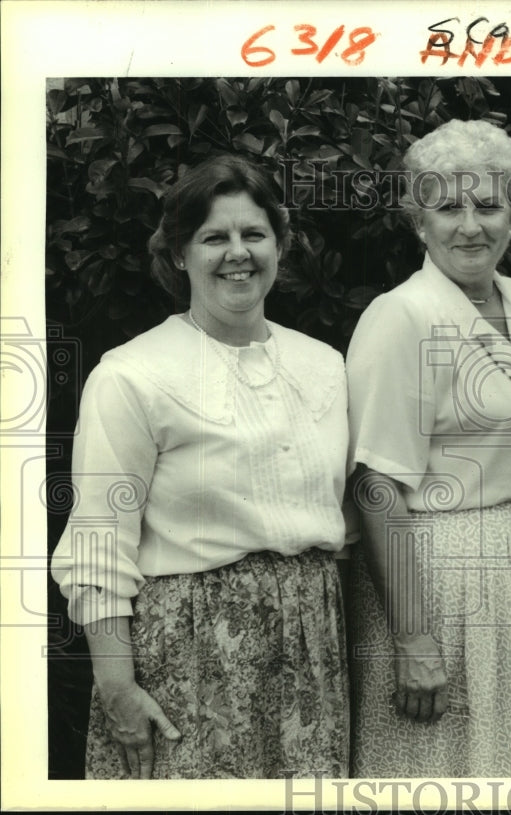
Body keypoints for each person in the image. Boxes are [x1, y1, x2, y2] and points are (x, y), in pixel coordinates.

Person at [50, 154, 353, 779]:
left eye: (253, 234)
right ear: (180, 253)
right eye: (214, 237)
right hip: (188, 656)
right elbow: (98, 545)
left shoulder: (325, 365)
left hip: (312, 652)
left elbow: (347, 519)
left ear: (282, 243)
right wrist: (117, 688)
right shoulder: (134, 374)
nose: (236, 253)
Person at [346, 119, 511, 777]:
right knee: (446, 764)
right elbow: (376, 483)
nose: (470, 225)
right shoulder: (402, 316)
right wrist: (415, 637)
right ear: (419, 222)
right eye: (448, 207)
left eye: (488, 204)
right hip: (444, 576)